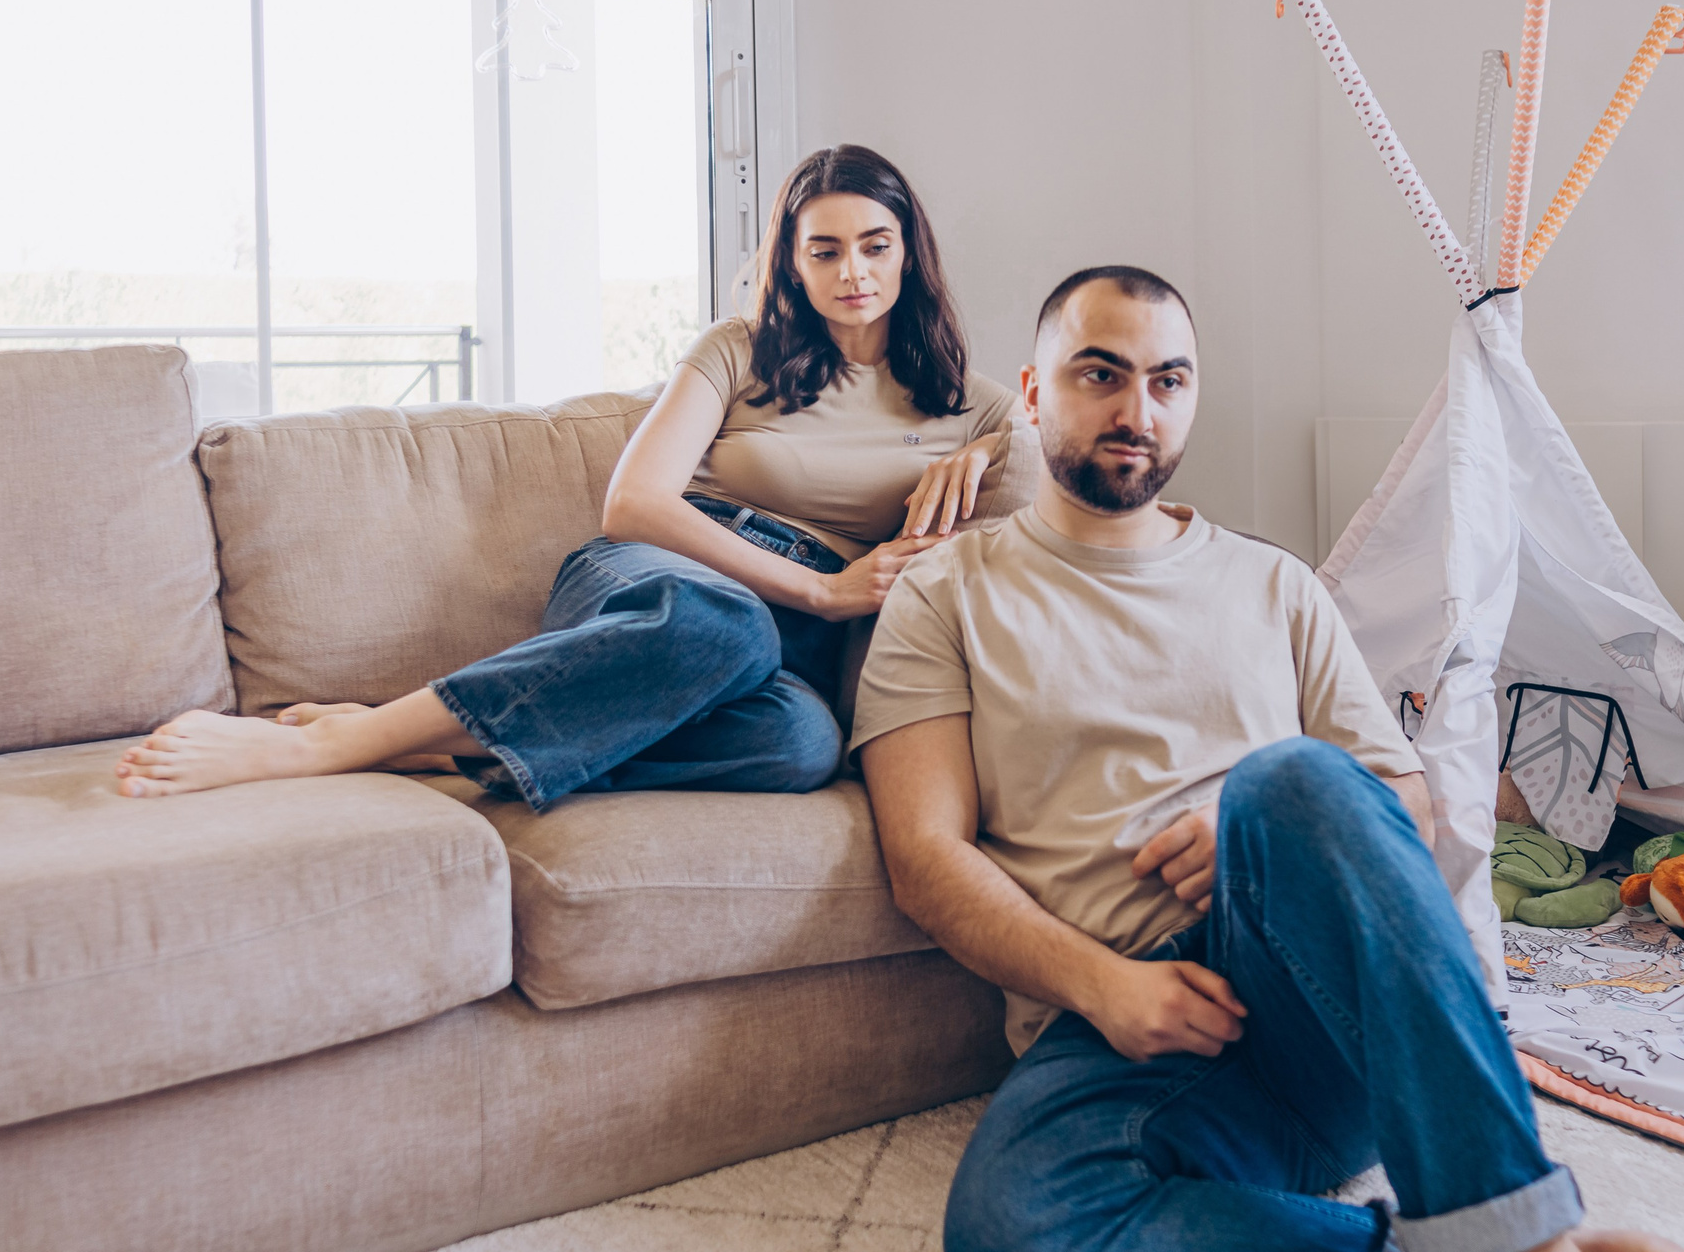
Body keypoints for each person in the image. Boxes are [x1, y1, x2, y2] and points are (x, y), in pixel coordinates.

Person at [851, 266, 1684, 1252]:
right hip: (1125, 1042)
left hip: (1319, 1011)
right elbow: (925, 859)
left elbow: (1410, 810)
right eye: (1101, 373)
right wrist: (1107, 986)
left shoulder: (1277, 587)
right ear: (1033, 391)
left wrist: (1243, 814)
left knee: (1293, 780)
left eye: (1168, 381)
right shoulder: (947, 594)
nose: (1136, 409)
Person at [113, 145, 1018, 804]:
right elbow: (635, 501)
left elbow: (1062, 425)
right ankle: (337, 744)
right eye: (824, 250)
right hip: (669, 584)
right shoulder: (739, 351)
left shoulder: (969, 404)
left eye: (874, 244)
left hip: (776, 659)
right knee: (731, 628)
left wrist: (991, 445)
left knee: (802, 744)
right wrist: (824, 591)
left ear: (910, 250)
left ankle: (449, 746)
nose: (852, 271)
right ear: (790, 259)